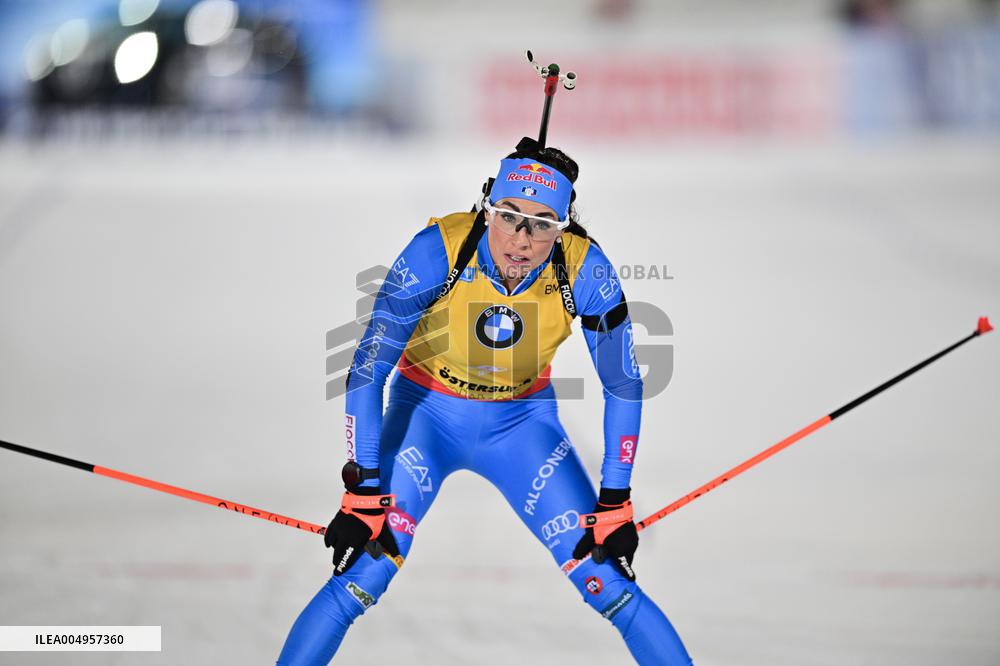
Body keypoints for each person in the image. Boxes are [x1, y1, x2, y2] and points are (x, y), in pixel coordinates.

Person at [277, 137, 692, 665]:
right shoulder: (437, 251)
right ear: (487, 204)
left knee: (606, 581)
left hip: (522, 427)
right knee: (365, 571)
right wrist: (362, 489)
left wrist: (616, 499)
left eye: (543, 224)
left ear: (563, 227)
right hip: (425, 415)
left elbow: (623, 385)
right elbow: (366, 371)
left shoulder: (584, 269)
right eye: (508, 216)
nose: (521, 239)